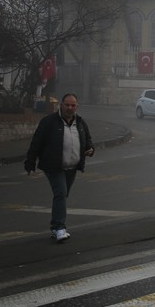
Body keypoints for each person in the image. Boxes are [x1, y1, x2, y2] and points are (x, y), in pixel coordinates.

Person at [24, 92, 95, 243]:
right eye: (67, 105)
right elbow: (36, 142)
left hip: (72, 167)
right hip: (54, 166)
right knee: (61, 193)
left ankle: (55, 228)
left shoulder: (81, 123)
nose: (70, 108)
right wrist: (30, 161)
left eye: (73, 105)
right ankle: (59, 228)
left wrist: (90, 149)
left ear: (77, 107)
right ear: (61, 105)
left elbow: (87, 140)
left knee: (63, 195)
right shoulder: (49, 122)